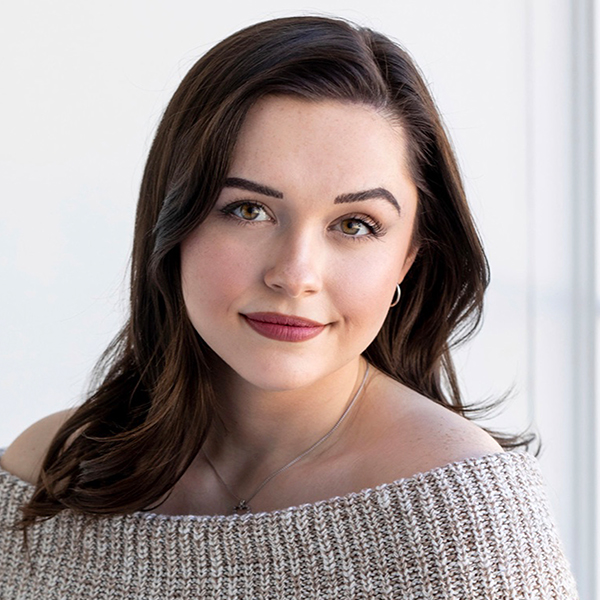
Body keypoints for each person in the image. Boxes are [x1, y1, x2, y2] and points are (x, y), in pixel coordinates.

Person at [0, 15, 578, 599]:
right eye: (249, 210)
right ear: (171, 223)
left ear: (408, 259)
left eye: (355, 224)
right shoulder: (44, 478)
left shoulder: (468, 519)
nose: (295, 275)